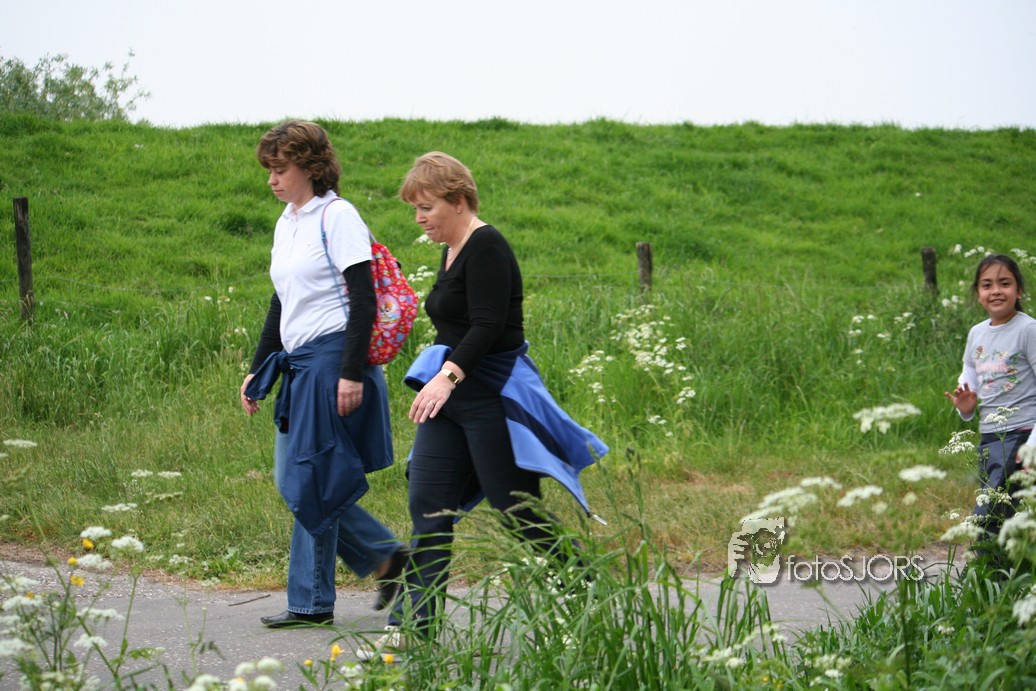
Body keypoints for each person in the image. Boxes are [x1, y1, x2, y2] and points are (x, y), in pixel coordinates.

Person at [357, 152, 607, 659]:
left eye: (426, 207)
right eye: (415, 208)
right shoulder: (452, 250)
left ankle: (583, 590)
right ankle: (414, 627)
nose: (419, 218)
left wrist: (446, 377)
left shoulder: (487, 245)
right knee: (428, 507)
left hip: (490, 398)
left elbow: (488, 325)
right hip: (452, 402)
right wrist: (443, 382)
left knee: (516, 511)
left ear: (458, 200)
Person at [240, 120, 408, 628]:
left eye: (281, 168)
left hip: (334, 360)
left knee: (308, 477)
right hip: (300, 364)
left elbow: (363, 298)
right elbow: (281, 302)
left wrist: (351, 373)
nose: (272, 179)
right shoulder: (287, 222)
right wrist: (258, 370)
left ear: (311, 167)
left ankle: (319, 597)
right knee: (302, 478)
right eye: (269, 169)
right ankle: (381, 561)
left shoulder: (337, 216)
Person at [945, 253, 1036, 549]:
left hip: (1021, 435)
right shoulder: (977, 333)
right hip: (989, 436)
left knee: (990, 511)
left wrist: (1033, 444)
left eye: (1004, 283)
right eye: (987, 285)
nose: (996, 291)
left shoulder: (1028, 330)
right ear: (978, 293)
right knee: (1008, 507)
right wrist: (967, 408)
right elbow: (969, 374)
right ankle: (1014, 567)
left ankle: (984, 564)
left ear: (1019, 290)